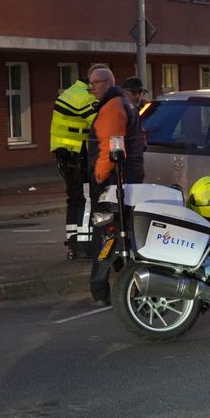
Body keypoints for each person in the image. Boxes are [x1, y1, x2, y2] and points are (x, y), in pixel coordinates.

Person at [86, 67, 145, 306]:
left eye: (95, 83)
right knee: (126, 234)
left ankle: (102, 290)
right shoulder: (123, 105)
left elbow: (110, 147)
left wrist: (99, 177)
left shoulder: (112, 107)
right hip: (127, 179)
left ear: (108, 83)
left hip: (113, 183)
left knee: (106, 235)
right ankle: (131, 286)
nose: (91, 88)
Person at [48, 64, 106, 260]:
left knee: (74, 199)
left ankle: (73, 242)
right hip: (77, 155)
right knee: (86, 199)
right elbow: (100, 123)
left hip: (66, 153)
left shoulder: (71, 92)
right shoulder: (85, 98)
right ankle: (84, 245)